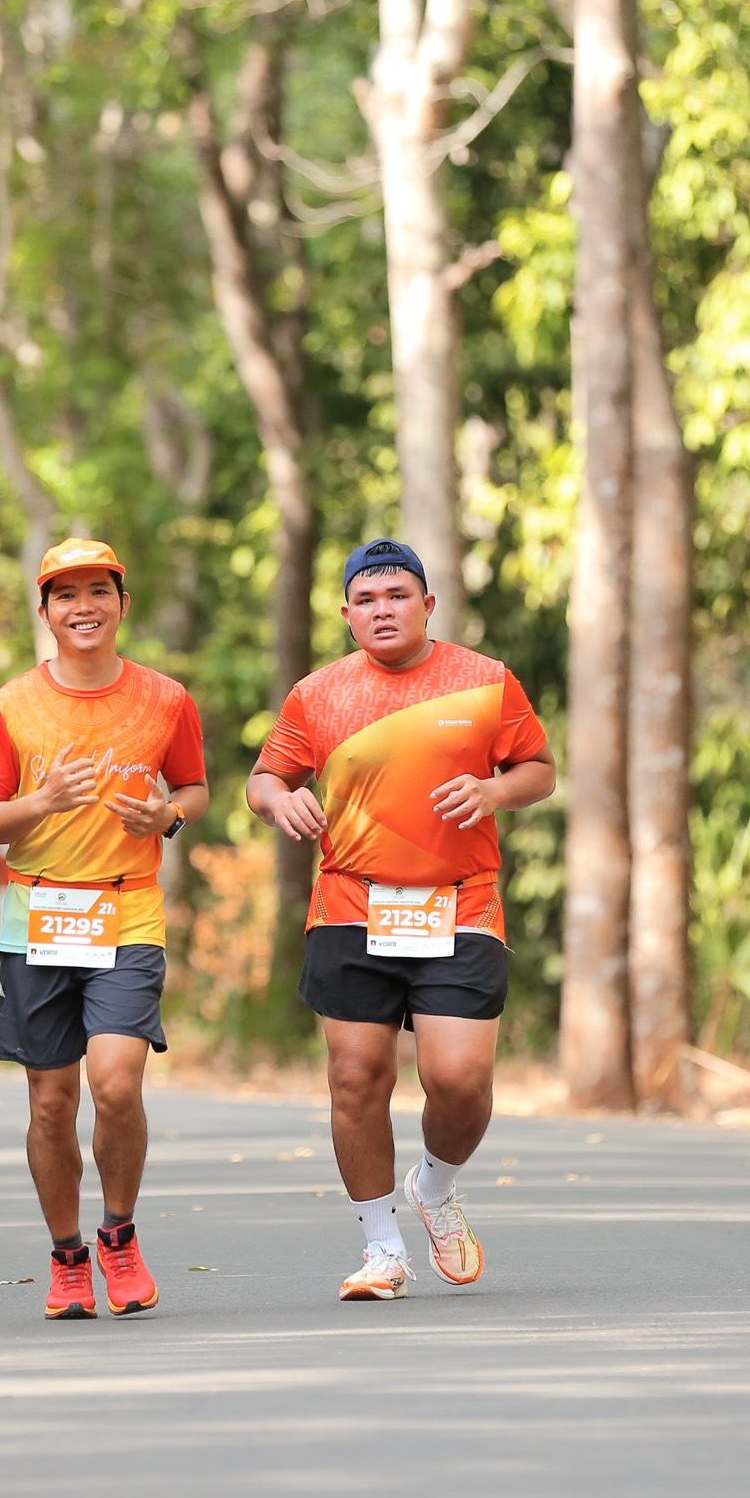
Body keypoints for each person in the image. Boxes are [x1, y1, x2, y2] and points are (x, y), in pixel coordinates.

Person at [248, 539, 556, 1301]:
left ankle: (435, 1186)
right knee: (357, 1079)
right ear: (347, 613)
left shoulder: (486, 681)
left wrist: (492, 794)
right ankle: (381, 1249)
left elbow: (539, 771)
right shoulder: (317, 694)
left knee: (458, 1078)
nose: (383, 610)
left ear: (427, 605)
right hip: (352, 900)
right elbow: (264, 776)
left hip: (461, 900)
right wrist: (280, 799)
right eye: (368, 599)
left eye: (398, 596)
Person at [0, 538, 209, 1320]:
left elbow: (196, 790)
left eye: (99, 591)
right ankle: (68, 1257)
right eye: (66, 596)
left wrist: (168, 814)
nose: (84, 607)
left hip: (127, 907)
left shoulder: (166, 699)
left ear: (122, 604)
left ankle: (120, 1234)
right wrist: (42, 802)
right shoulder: (10, 706)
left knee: (116, 1084)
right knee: (50, 1103)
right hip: (35, 913)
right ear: (45, 613)